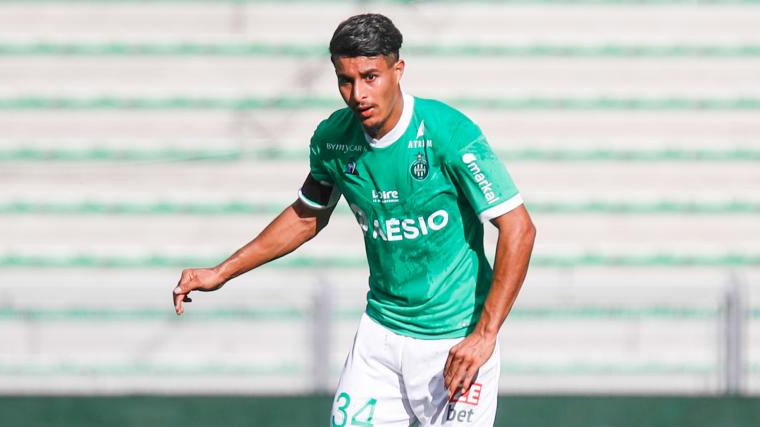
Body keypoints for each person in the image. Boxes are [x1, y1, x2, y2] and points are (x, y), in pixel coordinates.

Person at [172, 13, 536, 426]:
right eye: (345, 80)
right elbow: (307, 215)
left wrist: (485, 335)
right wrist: (221, 272)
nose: (358, 93)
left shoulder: (447, 133)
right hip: (380, 339)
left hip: (456, 342)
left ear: (398, 70)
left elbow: (519, 228)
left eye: (370, 77)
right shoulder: (333, 139)